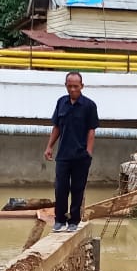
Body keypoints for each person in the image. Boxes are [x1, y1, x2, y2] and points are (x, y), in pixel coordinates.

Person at [44, 71, 99, 232]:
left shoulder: (89, 105)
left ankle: (74, 221)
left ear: (82, 86)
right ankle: (59, 220)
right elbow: (57, 127)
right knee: (60, 188)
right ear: (66, 86)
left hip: (81, 156)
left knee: (77, 188)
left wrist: (88, 152)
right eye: (70, 86)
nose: (73, 89)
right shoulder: (61, 102)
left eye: (76, 86)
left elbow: (91, 130)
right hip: (63, 155)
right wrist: (49, 147)